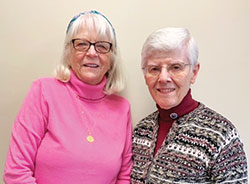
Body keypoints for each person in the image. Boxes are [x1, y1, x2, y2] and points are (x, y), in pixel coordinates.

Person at [3, 10, 133, 184]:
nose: (92, 53)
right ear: (68, 53)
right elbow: (16, 172)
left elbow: (124, 178)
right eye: (81, 44)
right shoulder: (43, 91)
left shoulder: (122, 108)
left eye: (102, 46)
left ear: (112, 57)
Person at [131, 27, 248, 183]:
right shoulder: (141, 131)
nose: (163, 78)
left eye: (176, 67)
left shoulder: (221, 135)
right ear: (145, 75)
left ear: (194, 72)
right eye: (154, 69)